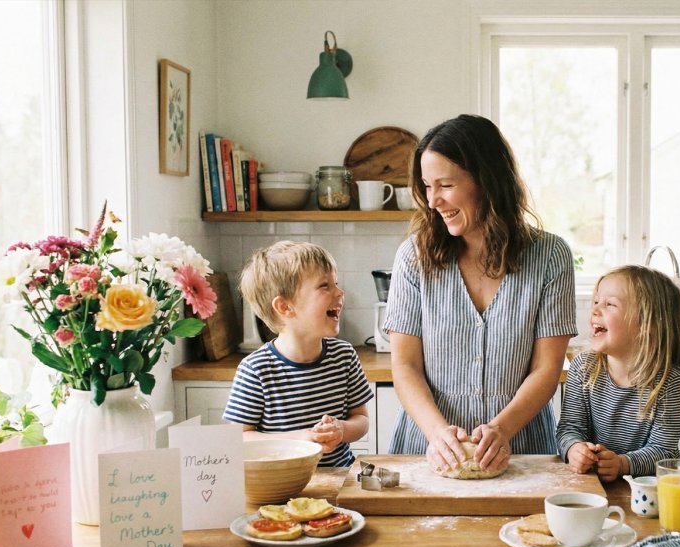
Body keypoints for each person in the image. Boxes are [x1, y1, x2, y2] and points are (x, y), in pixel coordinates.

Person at [383, 114, 577, 472]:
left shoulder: (551, 257)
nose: (433, 201)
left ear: (486, 180)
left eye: (445, 185)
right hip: (428, 449)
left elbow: (546, 368)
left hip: (522, 451)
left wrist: (502, 429)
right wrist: (439, 434)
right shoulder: (414, 257)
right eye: (427, 186)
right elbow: (405, 365)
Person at [223, 241, 371, 468]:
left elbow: (361, 420)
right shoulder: (256, 369)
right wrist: (300, 438)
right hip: (282, 486)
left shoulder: (344, 357)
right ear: (284, 307)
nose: (339, 293)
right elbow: (238, 438)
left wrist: (341, 430)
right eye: (324, 286)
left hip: (340, 479)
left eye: (336, 283)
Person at [556, 265, 680, 481]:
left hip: (643, 490)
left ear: (646, 325)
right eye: (596, 301)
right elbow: (569, 428)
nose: (595, 310)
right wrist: (574, 449)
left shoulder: (668, 382)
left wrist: (622, 464)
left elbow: (664, 451)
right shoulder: (583, 368)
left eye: (610, 304)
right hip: (589, 485)